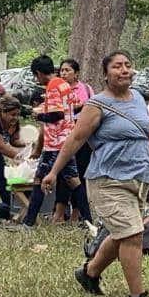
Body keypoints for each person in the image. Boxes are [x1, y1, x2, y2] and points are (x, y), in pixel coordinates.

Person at [40, 50, 149, 297]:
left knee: (122, 233)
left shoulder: (139, 99)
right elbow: (75, 139)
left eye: (128, 65)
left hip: (140, 178)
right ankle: (138, 296)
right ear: (106, 74)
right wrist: (53, 171)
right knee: (133, 234)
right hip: (108, 179)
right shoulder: (96, 105)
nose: (124, 70)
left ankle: (89, 274)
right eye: (117, 66)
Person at [17, 55, 92, 230]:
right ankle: (88, 221)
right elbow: (77, 104)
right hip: (66, 139)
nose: (37, 80)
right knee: (71, 181)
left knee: (43, 180)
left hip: (56, 143)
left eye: (36, 76)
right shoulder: (64, 84)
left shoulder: (51, 86)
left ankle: (29, 223)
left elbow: (57, 114)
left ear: (39, 73)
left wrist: (39, 115)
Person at [53, 58, 94, 224]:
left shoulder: (83, 89)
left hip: (82, 136)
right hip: (63, 135)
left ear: (76, 73)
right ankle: (59, 212)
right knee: (63, 173)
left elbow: (83, 107)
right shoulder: (57, 89)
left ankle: (77, 214)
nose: (63, 73)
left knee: (80, 173)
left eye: (67, 70)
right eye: (62, 70)